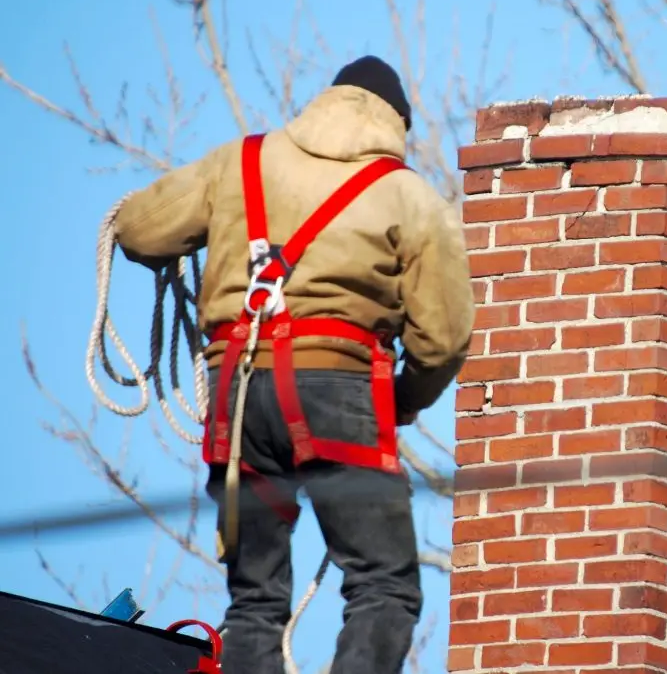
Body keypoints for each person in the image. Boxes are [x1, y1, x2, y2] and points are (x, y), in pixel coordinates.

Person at [112, 55, 475, 674]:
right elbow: (442, 339)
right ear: (396, 124)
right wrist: (407, 398)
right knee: (384, 584)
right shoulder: (408, 195)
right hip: (339, 390)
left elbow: (138, 231)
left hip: (238, 391)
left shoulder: (239, 162)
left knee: (255, 600)